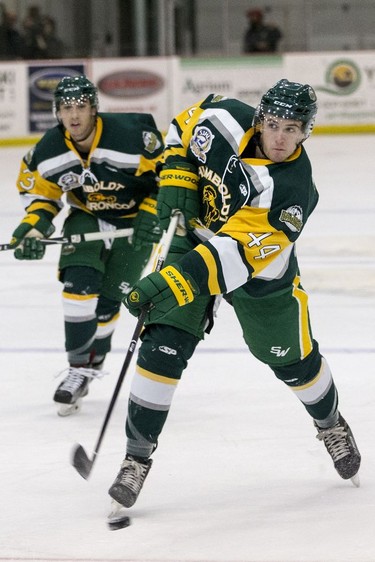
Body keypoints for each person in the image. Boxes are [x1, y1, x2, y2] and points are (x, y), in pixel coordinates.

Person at [108, 79, 361, 509]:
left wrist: (166, 282)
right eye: (274, 124)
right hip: (194, 238)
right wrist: (177, 180)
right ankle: (136, 458)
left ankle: (330, 422)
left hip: (259, 271)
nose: (280, 138)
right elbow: (181, 129)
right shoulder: (222, 116)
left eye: (292, 129)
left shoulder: (292, 190)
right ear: (260, 118)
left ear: (306, 132)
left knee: (292, 361)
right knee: (162, 344)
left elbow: (236, 255)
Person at [10, 75, 164, 416]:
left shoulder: (131, 137)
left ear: (94, 108)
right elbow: (42, 196)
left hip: (134, 227)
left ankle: (94, 361)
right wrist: (32, 228)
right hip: (87, 216)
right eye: (66, 108)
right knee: (78, 284)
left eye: (81, 106)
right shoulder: (49, 152)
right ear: (58, 112)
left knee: (109, 301)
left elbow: (167, 174)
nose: (74, 115)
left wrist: (152, 211)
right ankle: (78, 368)